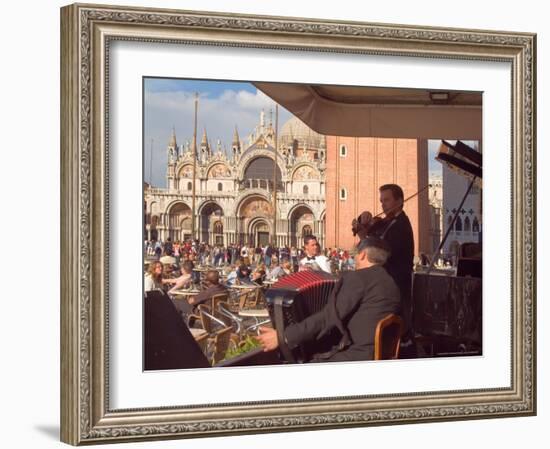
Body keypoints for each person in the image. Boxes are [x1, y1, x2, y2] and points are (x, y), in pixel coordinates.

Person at [257, 237, 401, 361]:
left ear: (362, 255)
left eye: (355, 255)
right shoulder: (391, 282)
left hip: (358, 357)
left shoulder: (358, 278)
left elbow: (329, 317)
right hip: (381, 354)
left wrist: (284, 337)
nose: (354, 258)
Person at [354, 184, 415, 342]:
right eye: (381, 201)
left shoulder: (401, 226)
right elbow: (372, 231)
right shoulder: (386, 222)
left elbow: (379, 255)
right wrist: (363, 217)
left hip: (394, 290)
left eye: (387, 200)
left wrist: (364, 237)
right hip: (385, 287)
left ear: (400, 201)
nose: (383, 205)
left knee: (390, 337)